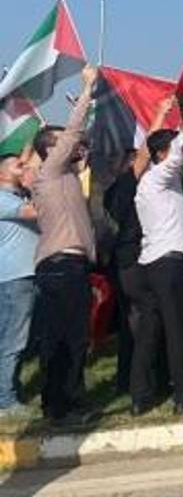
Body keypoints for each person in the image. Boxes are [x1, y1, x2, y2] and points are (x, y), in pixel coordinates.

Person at [29, 64, 99, 426]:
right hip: (64, 266)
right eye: (62, 144)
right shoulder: (51, 171)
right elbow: (72, 133)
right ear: (49, 150)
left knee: (59, 339)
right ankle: (69, 406)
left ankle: (54, 404)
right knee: (71, 340)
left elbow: (81, 139)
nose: (73, 146)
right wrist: (87, 88)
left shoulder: (63, 175)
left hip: (63, 267)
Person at [132, 97, 183, 415]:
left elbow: (161, 151)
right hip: (170, 264)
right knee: (177, 330)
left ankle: (140, 396)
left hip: (153, 265)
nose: (181, 154)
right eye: (173, 148)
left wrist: (164, 116)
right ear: (162, 154)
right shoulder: (159, 176)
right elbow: (175, 157)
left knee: (150, 332)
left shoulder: (149, 181)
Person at [103, 149, 145, 396]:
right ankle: (137, 381)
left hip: (122, 262)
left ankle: (126, 379)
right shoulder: (126, 187)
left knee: (130, 324)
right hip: (131, 260)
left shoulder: (112, 190)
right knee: (138, 322)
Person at [0, 149, 38, 417]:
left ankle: (10, 391)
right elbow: (34, 212)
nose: (23, 167)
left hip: (28, 274)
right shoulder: (2, 199)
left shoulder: (16, 195)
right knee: (13, 339)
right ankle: (6, 400)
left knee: (20, 338)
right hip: (15, 277)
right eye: (17, 165)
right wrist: (35, 180)